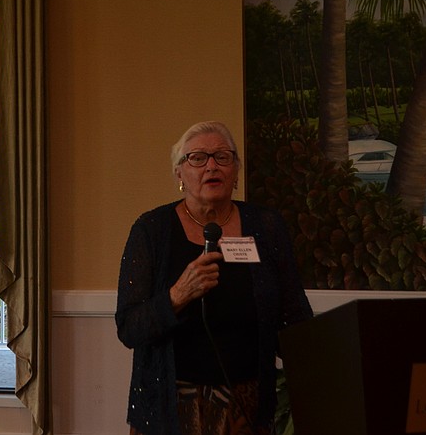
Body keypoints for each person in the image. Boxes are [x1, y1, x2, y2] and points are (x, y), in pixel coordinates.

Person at [115, 121, 313, 435]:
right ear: (179, 174)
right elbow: (129, 328)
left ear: (236, 172)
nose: (211, 166)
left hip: (246, 405)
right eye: (197, 158)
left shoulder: (266, 226)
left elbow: (295, 316)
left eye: (222, 157)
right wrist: (177, 295)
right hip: (170, 407)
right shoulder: (152, 230)